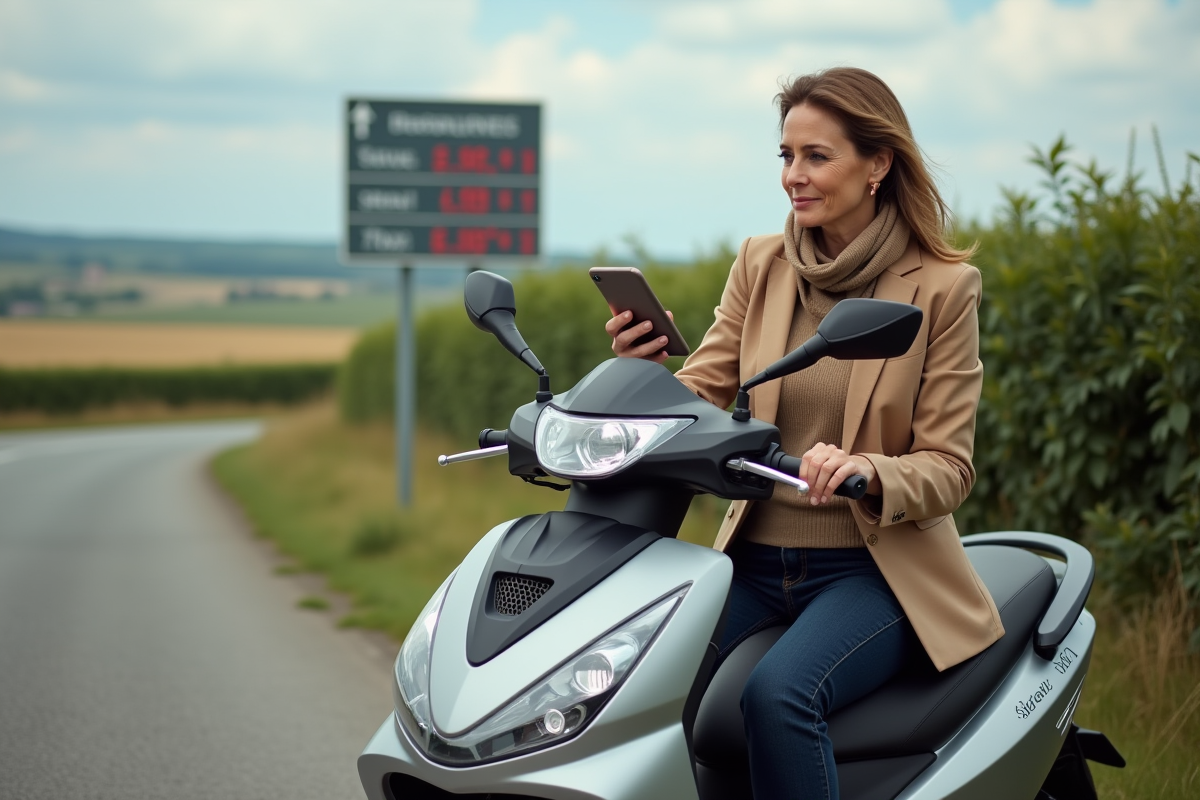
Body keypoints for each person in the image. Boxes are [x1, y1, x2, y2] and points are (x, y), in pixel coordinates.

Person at [604, 67, 1004, 800]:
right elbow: (705, 393)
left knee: (778, 697)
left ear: (877, 164)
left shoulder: (944, 287)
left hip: (872, 570)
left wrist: (868, 469)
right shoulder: (762, 263)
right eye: (787, 155)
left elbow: (949, 467)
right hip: (753, 559)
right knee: (635, 678)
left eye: (817, 156)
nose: (794, 175)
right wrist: (643, 374)